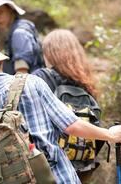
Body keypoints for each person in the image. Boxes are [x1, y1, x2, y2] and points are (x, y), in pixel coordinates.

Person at [0, 36, 121, 184]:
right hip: (58, 177)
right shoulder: (31, 83)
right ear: (0, 61)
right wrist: (110, 135)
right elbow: (71, 126)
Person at [32, 29, 104, 182]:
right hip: (84, 166)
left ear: (51, 53)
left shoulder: (41, 77)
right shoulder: (86, 82)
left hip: (52, 165)